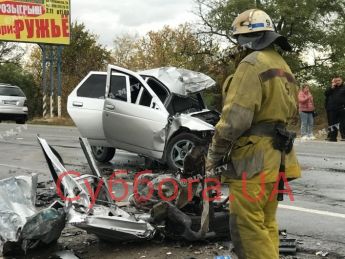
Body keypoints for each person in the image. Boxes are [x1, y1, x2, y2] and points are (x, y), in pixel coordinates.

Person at [205, 9, 301, 259]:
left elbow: (235, 120)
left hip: (253, 162)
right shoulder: (282, 65)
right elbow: (293, 120)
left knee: (247, 227)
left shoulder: (251, 64)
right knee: (266, 223)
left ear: (246, 39)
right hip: (278, 159)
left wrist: (214, 155)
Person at [325, 76, 345, 141]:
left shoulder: (344, 88)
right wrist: (332, 88)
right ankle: (333, 137)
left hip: (342, 108)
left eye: (339, 80)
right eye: (336, 81)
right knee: (332, 124)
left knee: (343, 123)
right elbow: (326, 94)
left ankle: (344, 136)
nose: (338, 82)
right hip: (332, 109)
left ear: (342, 81)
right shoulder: (332, 88)